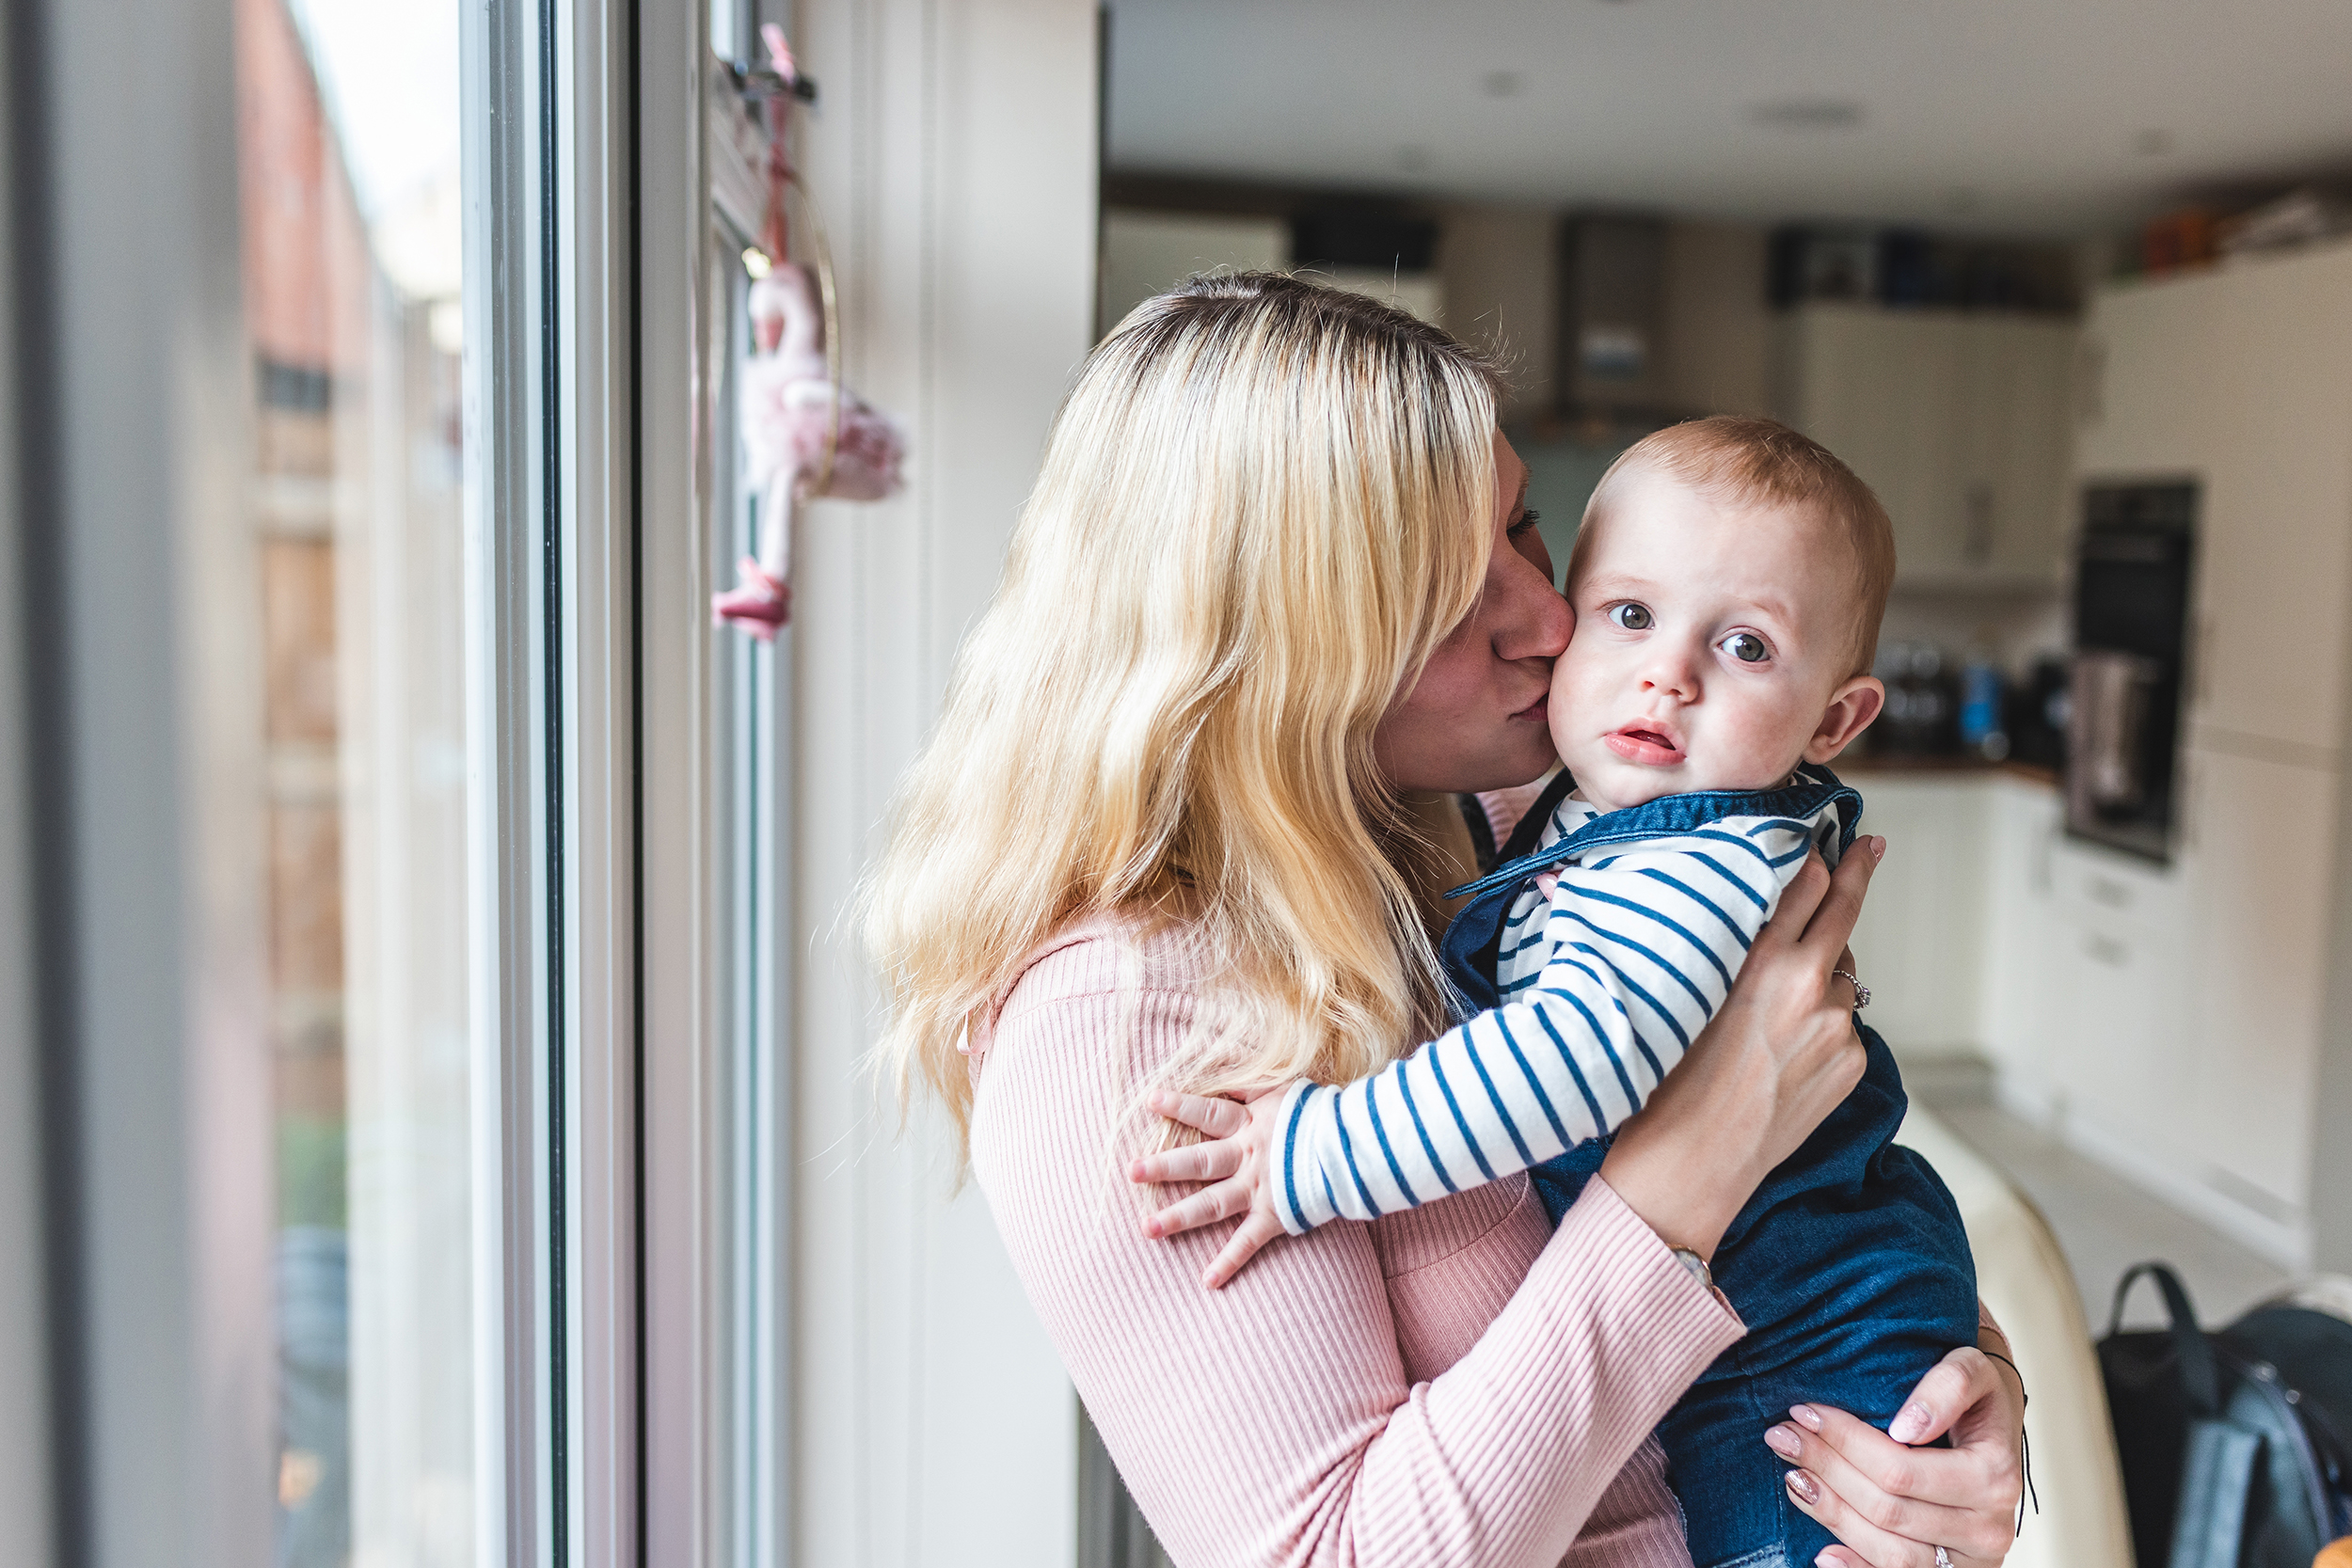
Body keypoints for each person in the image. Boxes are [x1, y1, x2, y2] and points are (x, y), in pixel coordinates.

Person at [867, 272, 2026, 1567]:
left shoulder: (1495, 818)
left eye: (1527, 527)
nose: (1552, 615)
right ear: (1277, 641)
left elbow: (1817, 1194)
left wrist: (1962, 1399)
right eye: (1446, 586)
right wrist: (1689, 1169)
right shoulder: (1124, 1014)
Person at [1136, 417, 1979, 1568]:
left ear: (1832, 721)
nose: (1665, 672)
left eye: (1743, 646)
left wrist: (1309, 1157)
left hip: (1791, 1356)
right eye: (1628, 613)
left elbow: (1567, 1057)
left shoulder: (1702, 859)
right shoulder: (1586, 810)